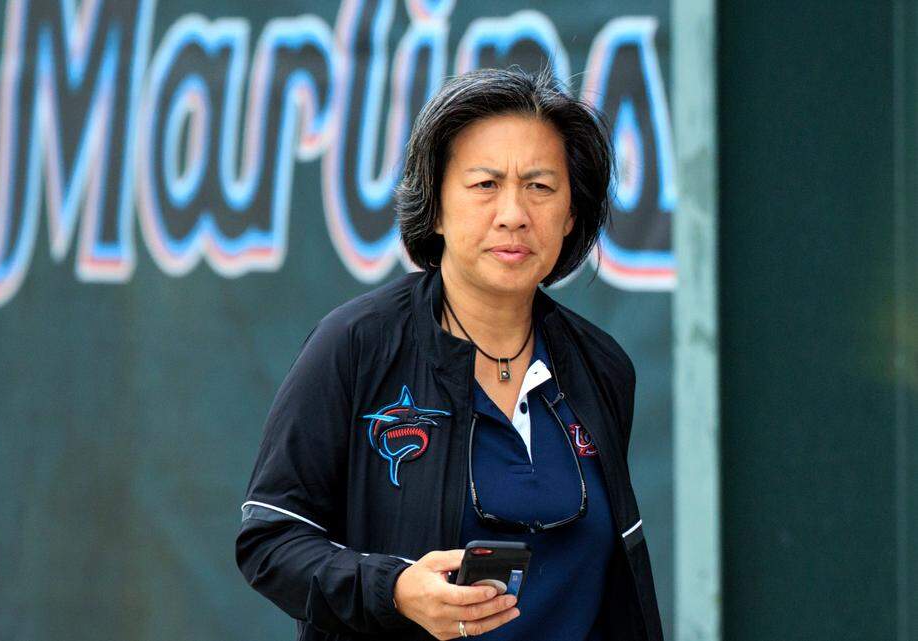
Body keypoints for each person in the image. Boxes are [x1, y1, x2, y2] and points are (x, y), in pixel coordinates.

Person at [236, 66, 663, 641]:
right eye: (485, 184)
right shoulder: (356, 345)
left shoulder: (600, 367)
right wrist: (393, 590)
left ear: (570, 214)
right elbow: (270, 540)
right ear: (435, 206)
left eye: (540, 187)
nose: (514, 214)